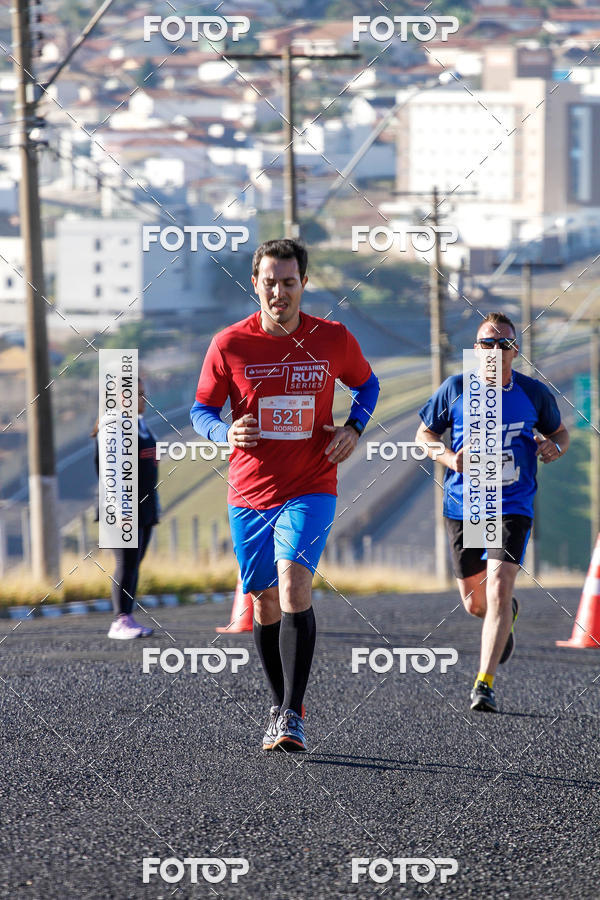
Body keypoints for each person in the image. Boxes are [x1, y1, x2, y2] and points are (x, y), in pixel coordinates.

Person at [190, 238, 379, 751]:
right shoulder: (229, 344)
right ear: (254, 283)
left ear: (304, 284)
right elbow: (201, 410)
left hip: (311, 485)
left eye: (289, 283)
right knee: (263, 599)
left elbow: (368, 384)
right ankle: (277, 705)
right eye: (269, 282)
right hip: (250, 492)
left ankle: (294, 714)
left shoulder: (332, 338)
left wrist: (354, 428)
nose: (279, 292)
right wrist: (222, 434)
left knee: (294, 584)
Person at [416, 312, 569, 713]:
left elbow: (560, 432)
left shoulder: (534, 394)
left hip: (512, 504)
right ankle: (506, 617)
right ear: (476, 348)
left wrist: (556, 447)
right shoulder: (455, 389)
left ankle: (484, 684)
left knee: (500, 587)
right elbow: (424, 434)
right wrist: (449, 459)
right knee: (476, 604)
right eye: (487, 343)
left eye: (504, 344)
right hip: (464, 505)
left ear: (514, 351)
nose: (495, 350)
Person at [93, 377, 160, 639]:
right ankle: (120, 620)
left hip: (143, 507)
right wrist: (120, 509)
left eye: (144, 393)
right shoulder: (112, 427)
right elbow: (109, 473)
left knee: (134, 564)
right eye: (139, 394)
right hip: (122, 509)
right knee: (126, 563)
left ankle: (128, 617)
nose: (144, 399)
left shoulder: (140, 425)